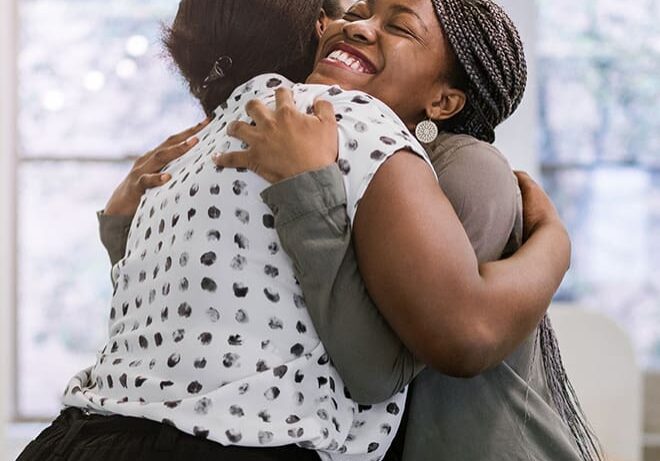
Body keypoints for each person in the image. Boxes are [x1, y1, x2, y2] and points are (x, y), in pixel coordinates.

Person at [17, 1, 586, 460]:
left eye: (398, 25)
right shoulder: (305, 125)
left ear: (444, 100)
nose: (354, 23)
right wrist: (556, 247)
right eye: (354, 9)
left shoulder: (450, 161)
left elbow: (454, 335)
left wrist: (556, 242)